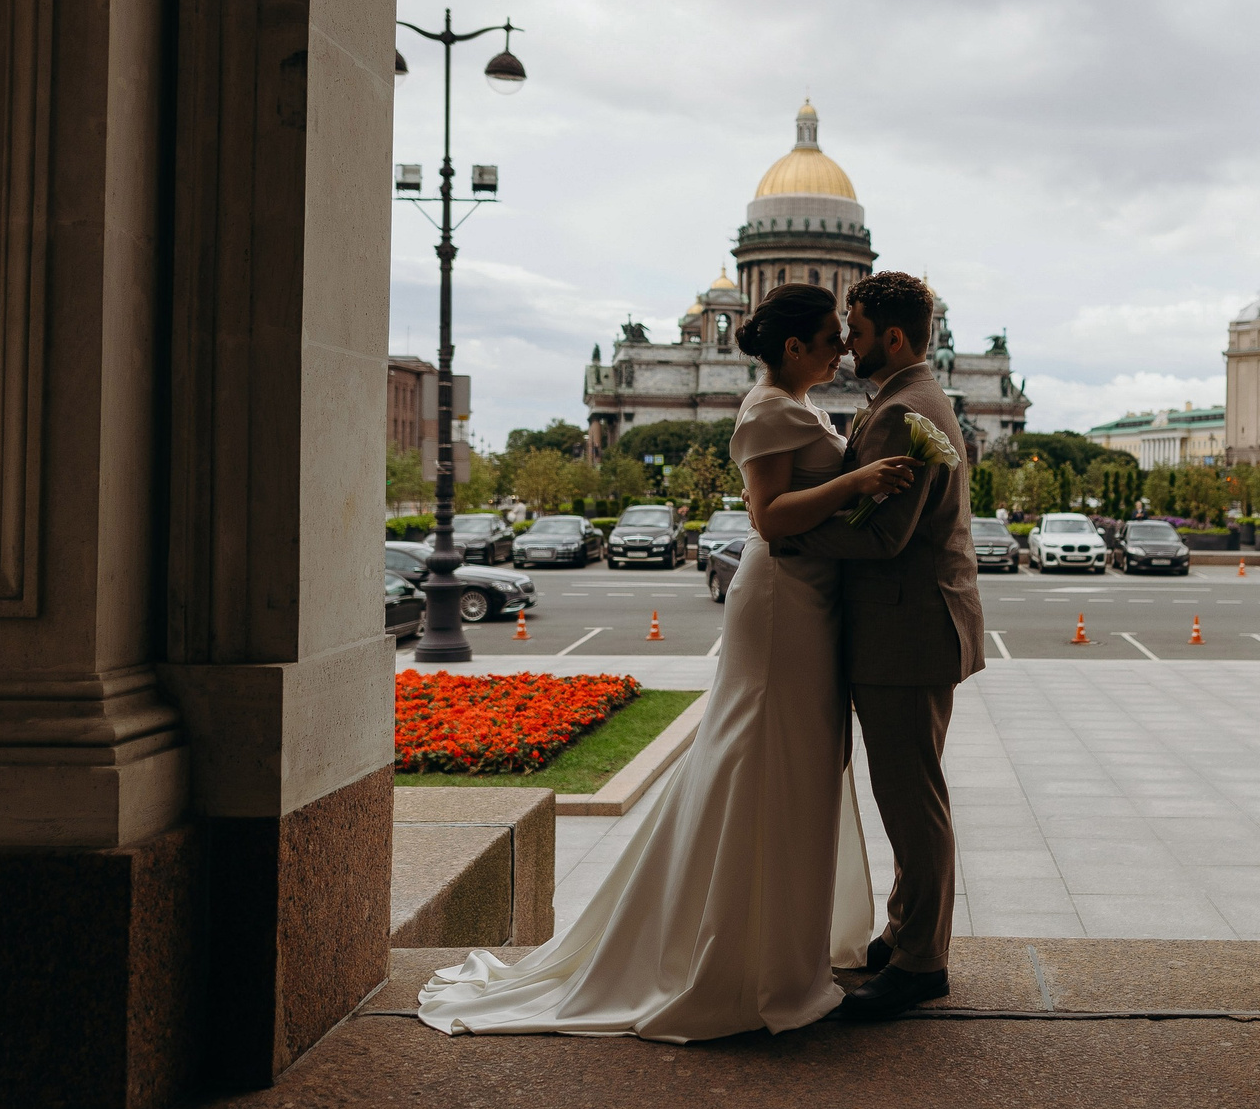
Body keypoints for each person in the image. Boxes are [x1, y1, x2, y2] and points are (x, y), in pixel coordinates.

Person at [415, 284, 911, 1041]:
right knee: (764, 756)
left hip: (810, 602)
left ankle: (775, 938)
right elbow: (768, 517)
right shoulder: (767, 408)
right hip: (781, 603)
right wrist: (856, 481)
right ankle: (743, 953)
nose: (844, 347)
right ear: (793, 348)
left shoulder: (802, 405)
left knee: (796, 757)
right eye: (831, 337)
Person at [774, 271, 985, 1020]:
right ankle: (903, 935)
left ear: (893, 337)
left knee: (911, 797)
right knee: (907, 790)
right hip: (917, 625)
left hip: (907, 628)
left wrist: (787, 532)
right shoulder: (908, 400)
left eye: (856, 333)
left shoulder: (903, 410)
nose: (847, 345)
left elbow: (888, 535)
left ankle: (922, 961)